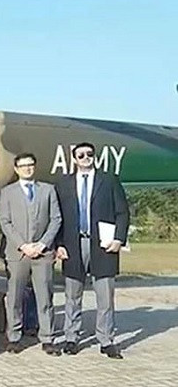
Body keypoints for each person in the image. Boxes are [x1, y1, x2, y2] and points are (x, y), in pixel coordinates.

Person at [55, 142, 129, 359]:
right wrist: (59, 244)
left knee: (105, 296)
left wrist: (119, 239)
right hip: (73, 244)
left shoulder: (109, 180)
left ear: (93, 156)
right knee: (72, 295)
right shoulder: (64, 183)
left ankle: (106, 339)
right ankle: (71, 337)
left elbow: (122, 212)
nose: (85, 157)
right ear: (74, 158)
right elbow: (57, 217)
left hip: (103, 245)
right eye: (81, 154)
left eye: (89, 154)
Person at [0, 153, 62, 356]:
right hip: (18, 254)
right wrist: (23, 245)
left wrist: (43, 244)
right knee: (15, 297)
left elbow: (56, 219)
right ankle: (14, 337)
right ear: (16, 169)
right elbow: (5, 222)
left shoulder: (48, 190)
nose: (27, 168)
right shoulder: (7, 192)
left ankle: (48, 338)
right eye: (23, 166)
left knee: (45, 297)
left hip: (43, 254)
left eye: (30, 165)